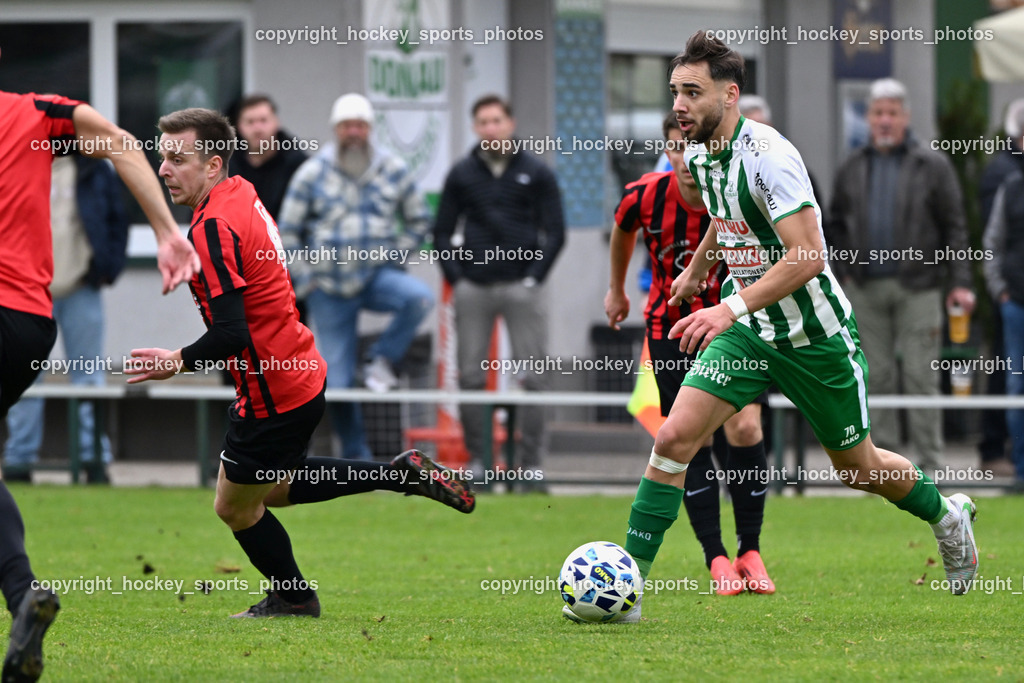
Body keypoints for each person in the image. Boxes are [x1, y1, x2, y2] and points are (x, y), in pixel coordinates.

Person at [597, 33, 979, 624]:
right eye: (675, 91)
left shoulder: (770, 155)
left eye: (692, 93)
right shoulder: (699, 151)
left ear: (730, 95)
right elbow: (727, 220)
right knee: (673, 439)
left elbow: (807, 257)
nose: (678, 105)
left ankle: (945, 515)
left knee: (859, 469)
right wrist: (699, 270)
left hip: (814, 338)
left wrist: (728, 308)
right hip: (750, 334)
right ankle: (625, 590)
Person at [127, 107, 473, 619]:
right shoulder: (239, 193)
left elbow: (230, 333)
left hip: (271, 390)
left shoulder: (212, 227)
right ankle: (396, 475)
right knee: (272, 488)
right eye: (162, 159)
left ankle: (294, 597)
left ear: (214, 164)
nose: (163, 170)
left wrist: (174, 361)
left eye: (178, 159)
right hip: (298, 369)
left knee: (235, 505)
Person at [0, 60, 198, 680]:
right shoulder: (34, 114)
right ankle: (23, 599)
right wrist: (169, 233)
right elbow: (121, 143)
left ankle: (22, 592)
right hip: (29, 323)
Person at [605, 112, 772, 595]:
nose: (684, 158)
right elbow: (622, 227)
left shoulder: (736, 194)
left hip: (735, 326)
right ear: (667, 150)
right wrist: (616, 290)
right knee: (689, 439)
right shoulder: (645, 194)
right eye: (675, 148)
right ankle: (716, 557)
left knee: (745, 426)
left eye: (692, 147)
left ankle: (751, 550)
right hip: (672, 329)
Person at [827, 78, 975, 474]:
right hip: (865, 288)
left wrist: (960, 281)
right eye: (879, 113)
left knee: (920, 376)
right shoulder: (852, 166)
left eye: (893, 113)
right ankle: (886, 467)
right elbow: (833, 224)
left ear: (906, 118)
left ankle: (931, 465)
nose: (886, 121)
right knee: (874, 377)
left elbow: (955, 227)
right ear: (869, 118)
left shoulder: (932, 164)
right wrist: (843, 275)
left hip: (920, 288)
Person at [278, 93, 433, 460]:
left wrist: (394, 258)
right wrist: (306, 281)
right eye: (347, 125)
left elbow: (419, 220)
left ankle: (381, 360)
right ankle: (357, 457)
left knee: (418, 298)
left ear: (370, 130)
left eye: (360, 125)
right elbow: (286, 231)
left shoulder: (393, 168)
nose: (354, 132)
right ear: (335, 130)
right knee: (338, 383)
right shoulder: (312, 172)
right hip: (327, 287)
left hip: (376, 276)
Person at [433, 94, 566, 488]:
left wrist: (536, 276)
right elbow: (441, 231)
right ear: (476, 128)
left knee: (535, 373)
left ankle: (531, 465)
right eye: (483, 122)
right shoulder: (461, 174)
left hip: (522, 286)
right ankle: (479, 461)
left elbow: (555, 231)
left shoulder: (536, 172)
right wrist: (456, 277)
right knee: (471, 374)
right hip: (474, 286)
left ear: (510, 123)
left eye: (497, 120)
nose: (491, 128)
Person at [3, 153, 129, 485]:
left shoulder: (95, 167)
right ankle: (18, 459)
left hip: (80, 286)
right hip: (27, 289)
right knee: (24, 376)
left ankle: (93, 459)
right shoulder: (17, 161)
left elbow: (118, 217)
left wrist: (107, 269)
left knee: (88, 374)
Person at [975, 98, 1024, 478]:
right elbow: (991, 242)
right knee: (1014, 383)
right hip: (1016, 301)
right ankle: (1021, 469)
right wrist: (1000, 290)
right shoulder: (1007, 181)